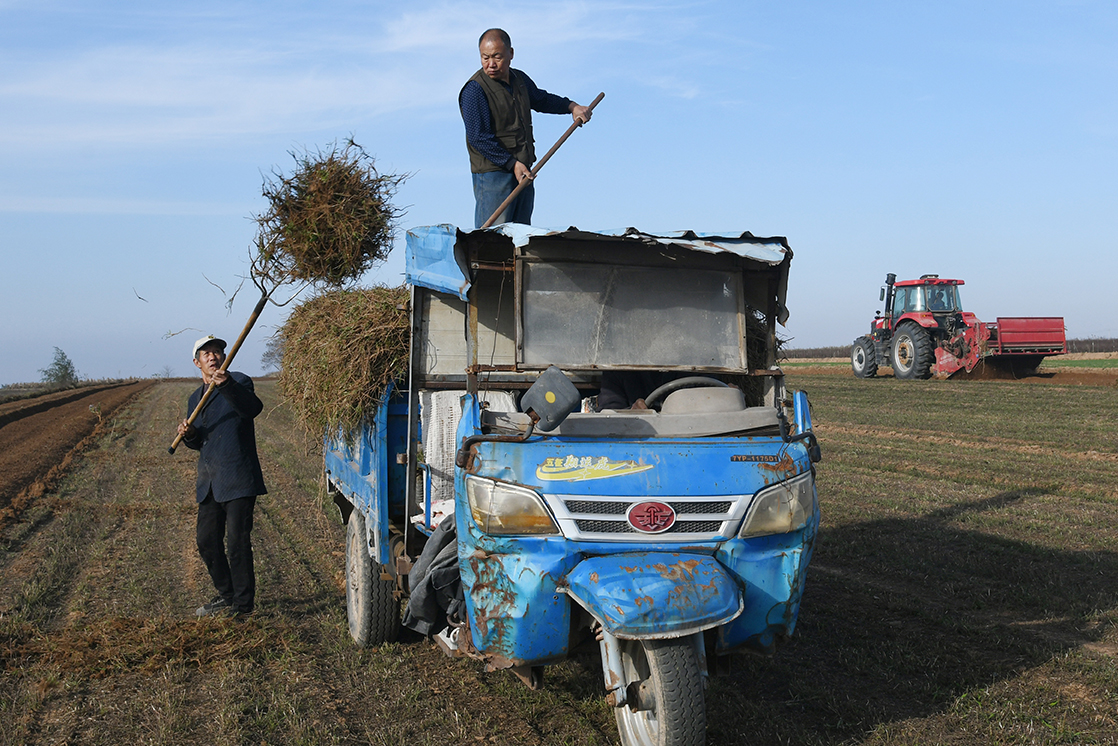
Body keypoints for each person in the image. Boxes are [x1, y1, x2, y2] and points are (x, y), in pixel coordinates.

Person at [460, 28, 592, 228]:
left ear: (511, 54)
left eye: (497, 57)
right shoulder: (474, 90)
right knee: (494, 240)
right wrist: (511, 164)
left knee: (521, 238)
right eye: (485, 58)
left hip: (523, 171)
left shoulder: (519, 80)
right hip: (493, 176)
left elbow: (541, 99)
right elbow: (478, 138)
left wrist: (571, 107)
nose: (491, 64)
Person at [177, 335, 267, 618]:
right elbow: (200, 439)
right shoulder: (195, 399)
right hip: (210, 482)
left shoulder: (239, 381)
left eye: (217, 351)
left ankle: (243, 606)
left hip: (239, 477)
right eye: (206, 354)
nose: (213, 356)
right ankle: (226, 595)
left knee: (237, 543)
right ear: (197, 362)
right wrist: (189, 435)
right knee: (206, 541)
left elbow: (251, 409)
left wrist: (225, 384)